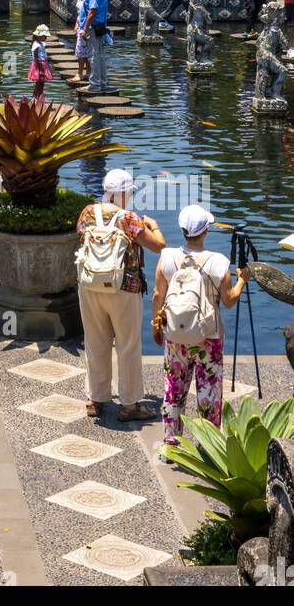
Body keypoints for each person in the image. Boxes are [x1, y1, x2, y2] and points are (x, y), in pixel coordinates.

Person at [152, 205, 251, 446]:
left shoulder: (167, 257)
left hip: (176, 333)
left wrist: (156, 326)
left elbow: (157, 295)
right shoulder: (218, 262)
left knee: (174, 388)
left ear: (183, 230)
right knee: (209, 390)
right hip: (209, 336)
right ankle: (207, 446)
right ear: (205, 230)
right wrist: (242, 281)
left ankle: (171, 443)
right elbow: (228, 302)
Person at [77, 168, 165, 421]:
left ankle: (95, 398)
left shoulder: (87, 211)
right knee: (127, 345)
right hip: (124, 288)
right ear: (125, 192)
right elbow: (158, 246)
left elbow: (80, 235)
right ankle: (129, 404)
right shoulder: (129, 218)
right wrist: (154, 226)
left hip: (90, 283)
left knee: (95, 341)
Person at [79, 0, 110, 94]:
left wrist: (85, 29)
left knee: (93, 55)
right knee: (100, 54)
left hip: (93, 27)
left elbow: (92, 11)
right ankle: (102, 81)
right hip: (100, 26)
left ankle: (94, 84)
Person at [28, 24, 54, 100]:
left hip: (43, 64)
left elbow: (41, 55)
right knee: (39, 84)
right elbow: (36, 58)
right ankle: (36, 98)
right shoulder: (36, 45)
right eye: (44, 35)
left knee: (41, 83)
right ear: (39, 36)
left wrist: (47, 59)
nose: (46, 37)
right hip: (39, 66)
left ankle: (38, 98)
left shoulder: (41, 44)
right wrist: (40, 70)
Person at [74, 0, 91, 83]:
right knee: (82, 51)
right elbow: (80, 12)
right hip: (80, 25)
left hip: (86, 27)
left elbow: (90, 12)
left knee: (83, 51)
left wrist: (85, 28)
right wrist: (76, 24)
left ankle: (82, 73)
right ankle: (85, 73)